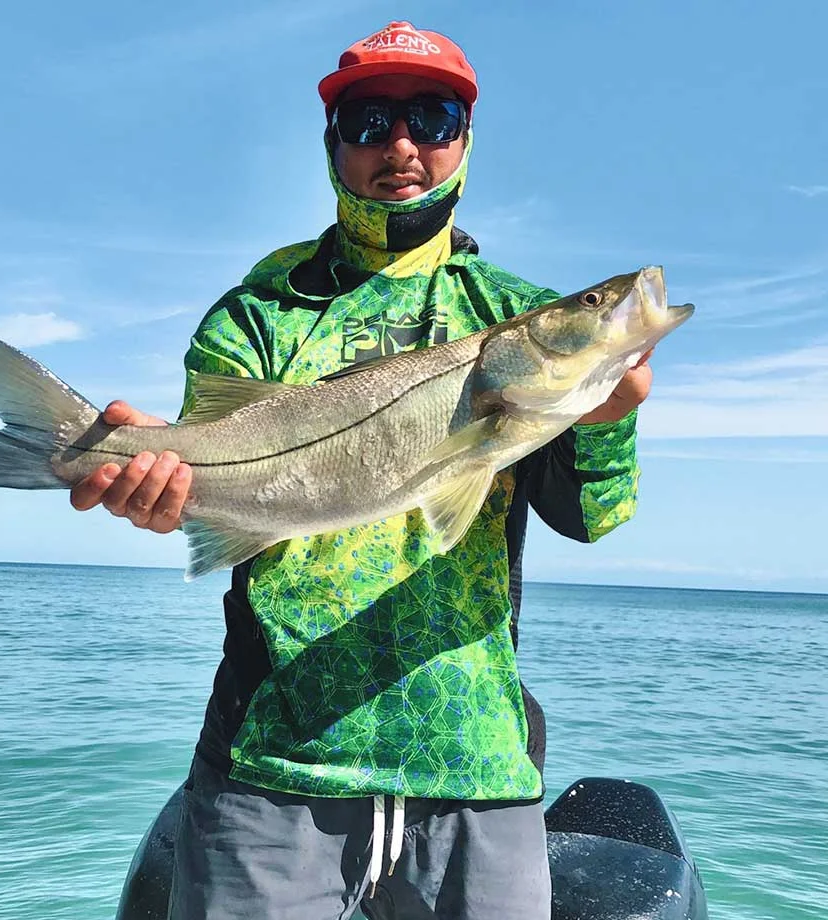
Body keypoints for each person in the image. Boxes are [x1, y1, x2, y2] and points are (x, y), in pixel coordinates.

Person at [72, 21, 651, 920]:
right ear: (332, 144)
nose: (404, 146)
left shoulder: (516, 312)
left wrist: (609, 417)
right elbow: (220, 481)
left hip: (474, 758)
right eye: (370, 121)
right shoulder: (259, 313)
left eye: (434, 117)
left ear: (467, 137)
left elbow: (588, 517)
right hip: (273, 761)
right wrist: (160, 490)